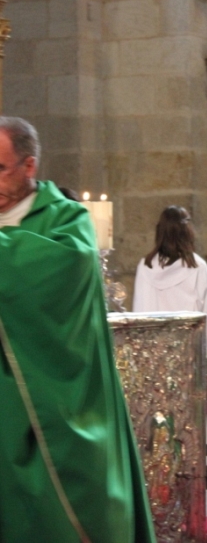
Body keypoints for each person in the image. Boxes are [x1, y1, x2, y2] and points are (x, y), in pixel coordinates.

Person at [0, 117, 156, 542]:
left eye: (0, 168)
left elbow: (54, 271)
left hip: (56, 394)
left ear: (29, 166)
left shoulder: (67, 221)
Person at [133, 205, 207, 352]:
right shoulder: (197, 267)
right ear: (188, 231)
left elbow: (138, 315)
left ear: (160, 231)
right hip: (187, 354)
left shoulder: (145, 266)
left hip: (152, 354)